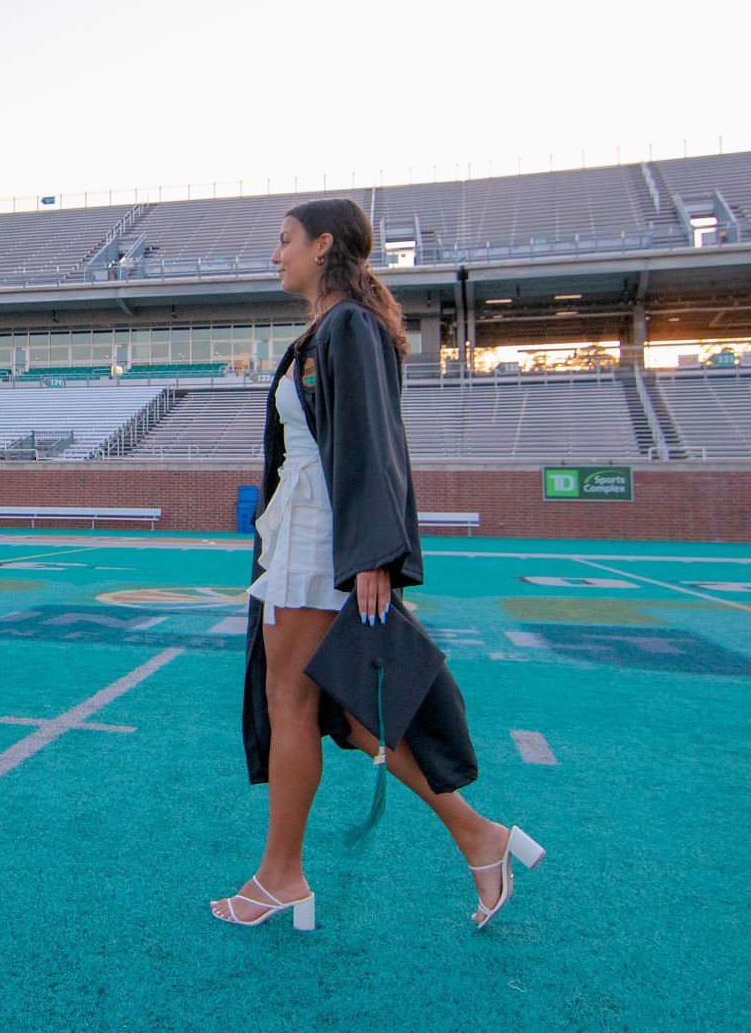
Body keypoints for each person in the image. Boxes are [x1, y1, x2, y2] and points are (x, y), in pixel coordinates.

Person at [209, 197, 545, 932]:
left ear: (323, 244)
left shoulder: (349, 326)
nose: (275, 255)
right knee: (353, 716)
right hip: (307, 536)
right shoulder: (330, 328)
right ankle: (479, 836)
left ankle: (281, 879)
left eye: (285, 241)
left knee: (291, 706)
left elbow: (373, 444)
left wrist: (375, 556)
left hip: (319, 542)